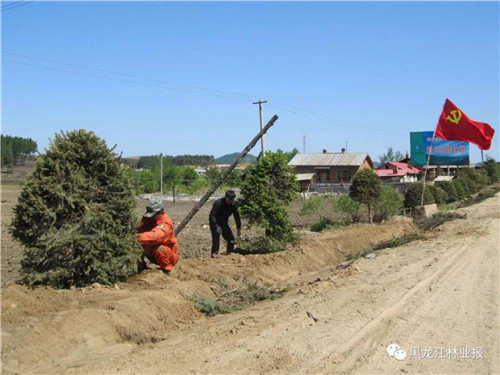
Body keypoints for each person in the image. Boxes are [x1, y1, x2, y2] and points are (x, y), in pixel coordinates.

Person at [136, 197, 179, 276]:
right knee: (138, 246)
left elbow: (155, 236)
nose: (151, 217)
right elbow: (139, 228)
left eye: (153, 215)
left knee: (160, 249)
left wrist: (136, 237)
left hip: (169, 254)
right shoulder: (148, 219)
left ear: (160, 212)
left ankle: (166, 270)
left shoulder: (166, 223)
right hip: (151, 251)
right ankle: (141, 267)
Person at [209, 190, 242, 257]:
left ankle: (229, 255)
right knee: (216, 243)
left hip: (224, 224)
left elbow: (236, 216)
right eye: (229, 200)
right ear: (226, 197)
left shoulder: (233, 205)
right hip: (215, 224)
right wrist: (217, 225)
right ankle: (213, 257)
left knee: (231, 240)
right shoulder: (218, 203)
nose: (230, 201)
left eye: (232, 200)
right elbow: (212, 215)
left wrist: (238, 228)